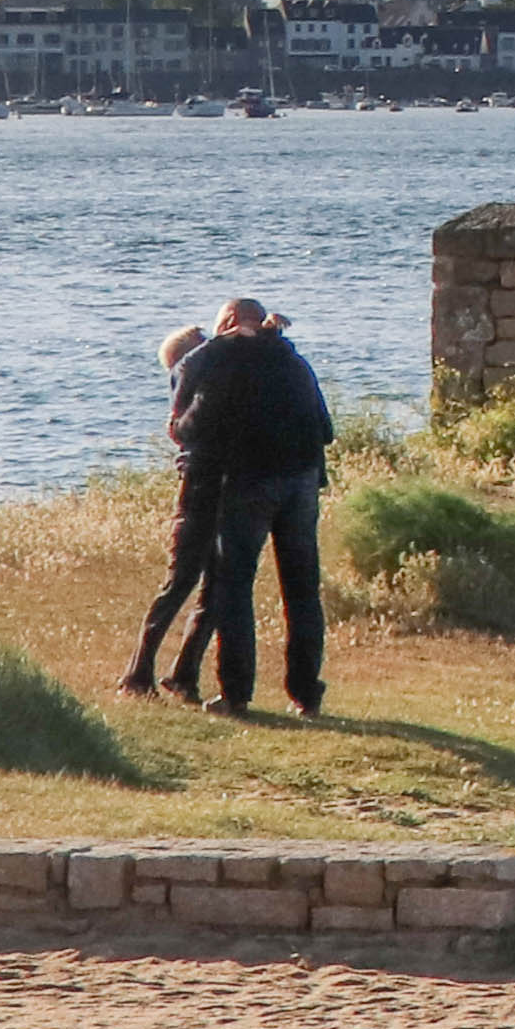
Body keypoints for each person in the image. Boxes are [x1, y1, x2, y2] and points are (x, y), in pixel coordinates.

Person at [171, 294, 335, 718]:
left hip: (248, 484)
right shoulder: (295, 363)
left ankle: (236, 693)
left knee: (234, 584)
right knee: (301, 590)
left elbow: (185, 429)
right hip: (300, 482)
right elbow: (326, 429)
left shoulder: (213, 362)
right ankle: (306, 694)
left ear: (226, 322)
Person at [118, 320, 226, 700]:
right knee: (181, 582)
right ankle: (138, 671)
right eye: (203, 343)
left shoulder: (206, 383)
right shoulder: (193, 380)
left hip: (215, 486)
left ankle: (182, 673)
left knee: (216, 586)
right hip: (199, 488)